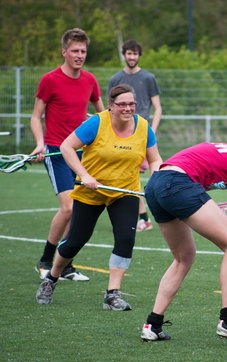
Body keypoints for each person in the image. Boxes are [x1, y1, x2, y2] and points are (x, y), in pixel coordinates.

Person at [140, 136, 227, 343]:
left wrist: (213, 210)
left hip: (156, 184)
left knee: (184, 257)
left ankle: (153, 325)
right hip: (177, 184)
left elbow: (194, 180)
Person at [36, 84, 162, 310]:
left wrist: (156, 179)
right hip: (91, 191)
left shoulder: (144, 127)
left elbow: (154, 159)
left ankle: (112, 294)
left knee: (125, 239)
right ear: (111, 106)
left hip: (124, 191)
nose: (127, 108)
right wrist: (84, 175)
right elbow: (66, 147)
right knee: (75, 240)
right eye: (122, 104)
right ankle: (52, 277)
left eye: (131, 104)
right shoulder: (97, 122)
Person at [30, 28, 104, 281]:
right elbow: (35, 116)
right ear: (64, 52)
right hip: (55, 151)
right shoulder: (49, 79)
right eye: (74, 50)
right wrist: (40, 143)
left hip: (83, 154)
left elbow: (102, 116)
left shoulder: (90, 80)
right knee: (69, 207)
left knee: (80, 210)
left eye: (83, 51)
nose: (79, 55)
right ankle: (45, 260)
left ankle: (66, 265)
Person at [108, 40, 162, 233]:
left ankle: (154, 212)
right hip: (123, 137)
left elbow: (158, 108)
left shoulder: (148, 78)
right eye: (129, 53)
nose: (132, 57)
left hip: (143, 135)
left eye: (135, 54)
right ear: (124, 55)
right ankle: (143, 217)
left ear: (139, 55)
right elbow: (110, 109)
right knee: (130, 175)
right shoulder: (116, 79)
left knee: (154, 173)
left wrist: (151, 131)